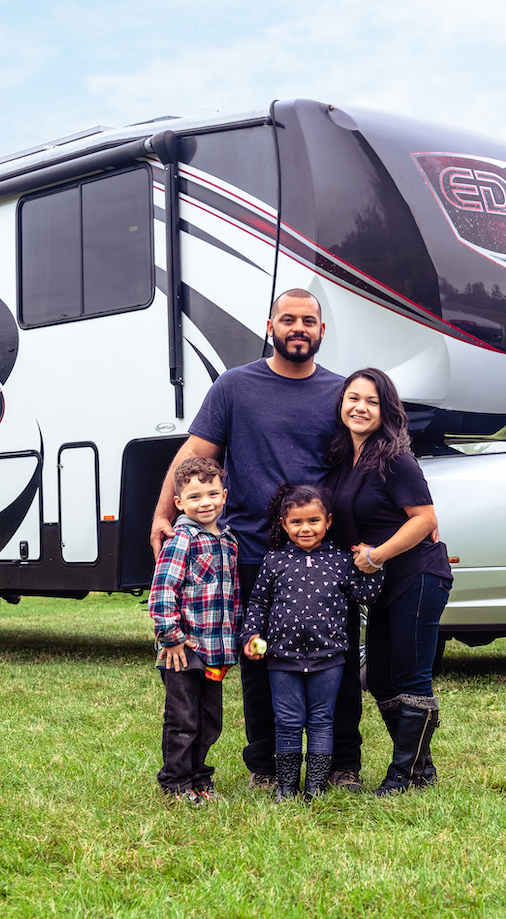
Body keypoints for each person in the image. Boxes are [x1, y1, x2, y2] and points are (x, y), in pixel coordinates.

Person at [150, 289, 362, 790]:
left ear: (321, 332)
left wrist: (421, 512)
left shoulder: (339, 393)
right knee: (257, 658)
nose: (299, 328)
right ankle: (266, 767)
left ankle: (342, 764)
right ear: (271, 326)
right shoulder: (234, 387)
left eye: (309, 321)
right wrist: (163, 512)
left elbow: (374, 458)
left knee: (341, 655)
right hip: (252, 550)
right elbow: (195, 451)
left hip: (324, 553)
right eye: (288, 319)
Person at [323, 367, 453, 794]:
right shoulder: (345, 459)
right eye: (354, 398)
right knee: (379, 677)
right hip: (380, 586)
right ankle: (420, 767)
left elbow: (425, 520)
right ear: (342, 403)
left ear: (386, 410)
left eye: (372, 401)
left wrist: (376, 555)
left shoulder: (395, 457)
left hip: (416, 577)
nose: (361, 407)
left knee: (411, 677)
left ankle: (407, 774)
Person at [240, 484, 384, 801]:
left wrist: (373, 563)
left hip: (328, 659)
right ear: (283, 524)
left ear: (328, 521)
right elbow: (258, 605)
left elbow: (366, 596)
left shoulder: (340, 561)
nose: (305, 528)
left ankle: (316, 787)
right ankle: (287, 788)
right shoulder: (274, 561)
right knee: (288, 722)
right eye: (296, 522)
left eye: (313, 521)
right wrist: (251, 636)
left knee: (321, 721)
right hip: (281, 660)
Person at [147, 456, 238, 806]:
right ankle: (175, 782)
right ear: (179, 502)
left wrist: (239, 639)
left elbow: (234, 599)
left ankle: (201, 778)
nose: (206, 502)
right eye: (196, 496)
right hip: (184, 650)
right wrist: (171, 637)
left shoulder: (229, 542)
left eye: (212, 494)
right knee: (183, 719)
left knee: (209, 719)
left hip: (216, 650)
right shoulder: (181, 539)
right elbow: (162, 591)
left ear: (224, 495)